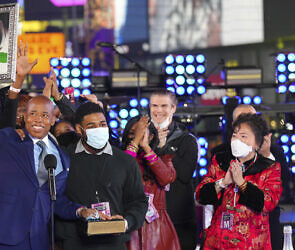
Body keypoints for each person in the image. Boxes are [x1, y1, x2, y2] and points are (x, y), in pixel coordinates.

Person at [0, 61, 98, 250]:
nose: (37, 119)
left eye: (44, 115)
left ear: (53, 120)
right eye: (32, 113)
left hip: (39, 240)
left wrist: (80, 210)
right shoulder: (8, 139)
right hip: (4, 237)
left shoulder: (61, 157)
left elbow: (56, 200)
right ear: (25, 117)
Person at [55, 102, 148, 250]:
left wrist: (125, 222)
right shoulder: (64, 158)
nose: (99, 129)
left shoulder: (125, 161)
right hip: (75, 242)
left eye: (102, 124)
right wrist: (80, 211)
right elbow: (55, 199)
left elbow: (139, 201)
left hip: (114, 243)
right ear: (79, 129)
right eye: (92, 126)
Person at [196, 113, 282, 249]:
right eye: (235, 135)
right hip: (218, 241)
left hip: (252, 243)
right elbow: (200, 195)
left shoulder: (269, 168)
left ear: (257, 143)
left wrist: (242, 183)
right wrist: (223, 183)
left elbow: (268, 203)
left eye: (244, 136)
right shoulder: (220, 161)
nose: (237, 140)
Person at [149, 89, 199, 250]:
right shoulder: (140, 138)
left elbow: (184, 175)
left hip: (180, 220)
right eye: (154, 105)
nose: (158, 110)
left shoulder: (187, 140)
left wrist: (165, 149)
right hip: (148, 219)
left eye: (164, 105)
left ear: (173, 108)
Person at [122, 116, 180, 250]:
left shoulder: (163, 157)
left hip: (157, 225)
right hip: (130, 221)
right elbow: (121, 172)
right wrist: (136, 141)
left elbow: (167, 178)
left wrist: (146, 148)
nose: (137, 136)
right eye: (133, 133)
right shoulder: (121, 157)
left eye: (142, 133)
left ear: (152, 136)